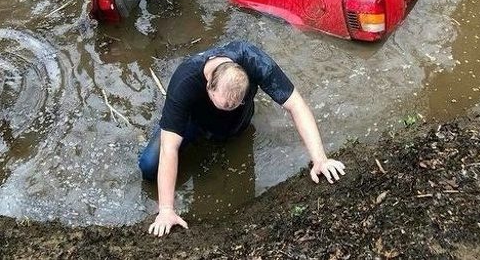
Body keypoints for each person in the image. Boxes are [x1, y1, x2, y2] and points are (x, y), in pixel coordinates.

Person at [139, 40, 346, 237]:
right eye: (223, 105)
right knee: (149, 165)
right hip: (194, 122)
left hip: (236, 125)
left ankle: (232, 121)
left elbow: (296, 105)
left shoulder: (253, 60)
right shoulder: (185, 81)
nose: (227, 108)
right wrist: (166, 209)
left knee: (241, 195)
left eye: (233, 104)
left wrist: (320, 159)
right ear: (209, 85)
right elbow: (169, 148)